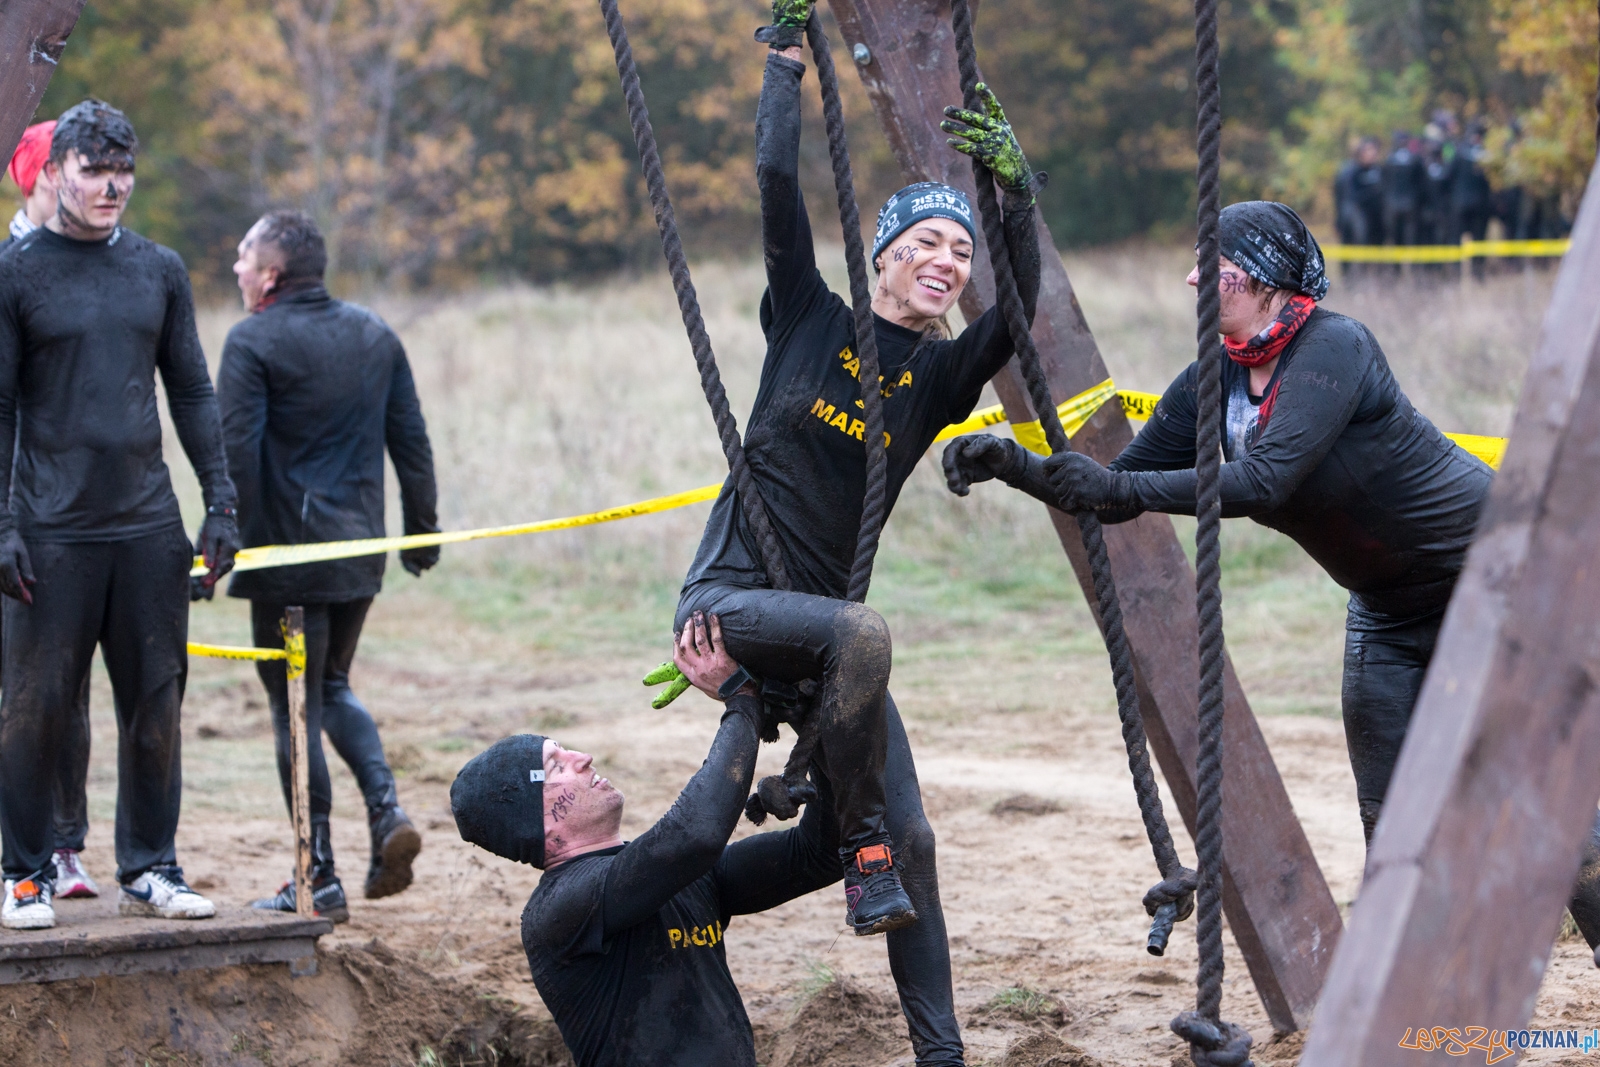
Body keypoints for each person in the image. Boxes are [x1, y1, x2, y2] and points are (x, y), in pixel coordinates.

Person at [941, 199, 1600, 955]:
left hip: (1498, 585)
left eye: (1212, 266)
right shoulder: (1210, 380)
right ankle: (1407, 1002)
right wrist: (1016, 466)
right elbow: (1113, 492)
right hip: (1387, 613)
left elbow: (1265, 480)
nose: (1193, 278)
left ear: (1265, 279)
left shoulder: (1336, 347)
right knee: (1391, 826)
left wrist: (1117, 487)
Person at [669, 0, 1042, 1061]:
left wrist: (1015, 198)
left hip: (829, 643)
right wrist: (785, 66)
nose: (947, 261)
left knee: (907, 839)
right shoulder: (808, 317)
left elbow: (1019, 310)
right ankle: (859, 841)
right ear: (882, 256)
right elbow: (775, 186)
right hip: (735, 601)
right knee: (865, 642)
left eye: (959, 251)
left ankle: (936, 1048)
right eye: (926, 242)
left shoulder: (938, 376)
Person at [0, 99, 239, 930]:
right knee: (34, 709)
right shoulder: (16, 274)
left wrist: (221, 502)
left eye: (123, 170)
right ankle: (23, 873)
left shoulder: (158, 269)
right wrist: (2, 525)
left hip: (146, 526)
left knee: (155, 707)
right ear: (55, 171)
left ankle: (151, 867)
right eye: (95, 169)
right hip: (50, 530)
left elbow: (194, 391)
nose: (112, 186)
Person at [452, 612, 840, 1067]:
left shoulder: (679, 876)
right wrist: (742, 699)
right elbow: (695, 834)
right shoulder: (560, 911)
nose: (584, 758)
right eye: (557, 765)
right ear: (537, 822)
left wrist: (812, 726)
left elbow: (822, 853)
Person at [217, 210, 436, 921]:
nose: (236, 268)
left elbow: (236, 458)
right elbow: (412, 441)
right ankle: (386, 809)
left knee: (296, 706)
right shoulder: (375, 332)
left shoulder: (251, 341)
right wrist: (421, 531)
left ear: (271, 275)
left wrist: (214, 547)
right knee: (332, 685)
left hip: (289, 558)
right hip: (360, 551)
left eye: (245, 257)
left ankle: (317, 877)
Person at [2, 120, 100, 901]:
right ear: (37, 180)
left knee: (63, 690)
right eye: (64, 175)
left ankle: (63, 846)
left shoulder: (99, 269)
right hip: (12, 503)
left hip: (68, 515)